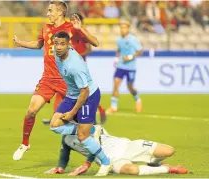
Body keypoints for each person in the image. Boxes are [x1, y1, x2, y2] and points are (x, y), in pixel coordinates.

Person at [13, 0, 99, 161]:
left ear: (60, 12)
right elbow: (39, 44)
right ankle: (25, 143)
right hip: (47, 79)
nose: (47, 13)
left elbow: (95, 42)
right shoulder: (46, 28)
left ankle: (94, 134)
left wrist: (81, 29)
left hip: (67, 81)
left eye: (50, 10)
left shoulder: (72, 28)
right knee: (31, 111)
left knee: (74, 118)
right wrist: (20, 43)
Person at [49, 31, 111, 176]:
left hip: (89, 95)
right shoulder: (55, 51)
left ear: (68, 45)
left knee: (83, 138)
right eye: (56, 43)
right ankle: (92, 130)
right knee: (54, 125)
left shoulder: (75, 66)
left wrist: (71, 113)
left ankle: (106, 163)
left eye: (62, 44)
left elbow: (85, 92)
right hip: (72, 94)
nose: (58, 47)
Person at [42, 13, 106, 125]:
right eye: (71, 19)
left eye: (75, 20)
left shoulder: (79, 32)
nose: (72, 22)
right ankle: (57, 116)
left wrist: (77, 54)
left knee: (84, 93)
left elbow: (94, 44)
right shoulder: (66, 34)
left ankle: (93, 119)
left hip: (78, 68)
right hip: (67, 68)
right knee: (66, 92)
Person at [45, 126, 188, 176]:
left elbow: (94, 145)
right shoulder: (66, 138)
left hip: (125, 145)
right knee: (132, 170)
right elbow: (64, 154)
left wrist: (87, 164)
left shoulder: (90, 126)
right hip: (112, 161)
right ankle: (167, 169)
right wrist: (60, 168)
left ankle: (154, 164)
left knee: (168, 151)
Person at [106, 19, 143, 114]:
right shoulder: (118, 39)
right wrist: (116, 58)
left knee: (130, 87)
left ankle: (137, 99)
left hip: (131, 67)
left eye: (125, 27)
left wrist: (131, 56)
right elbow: (119, 50)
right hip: (120, 66)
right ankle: (113, 107)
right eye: (121, 27)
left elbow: (140, 51)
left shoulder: (132, 39)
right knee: (116, 85)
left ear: (128, 29)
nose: (123, 29)